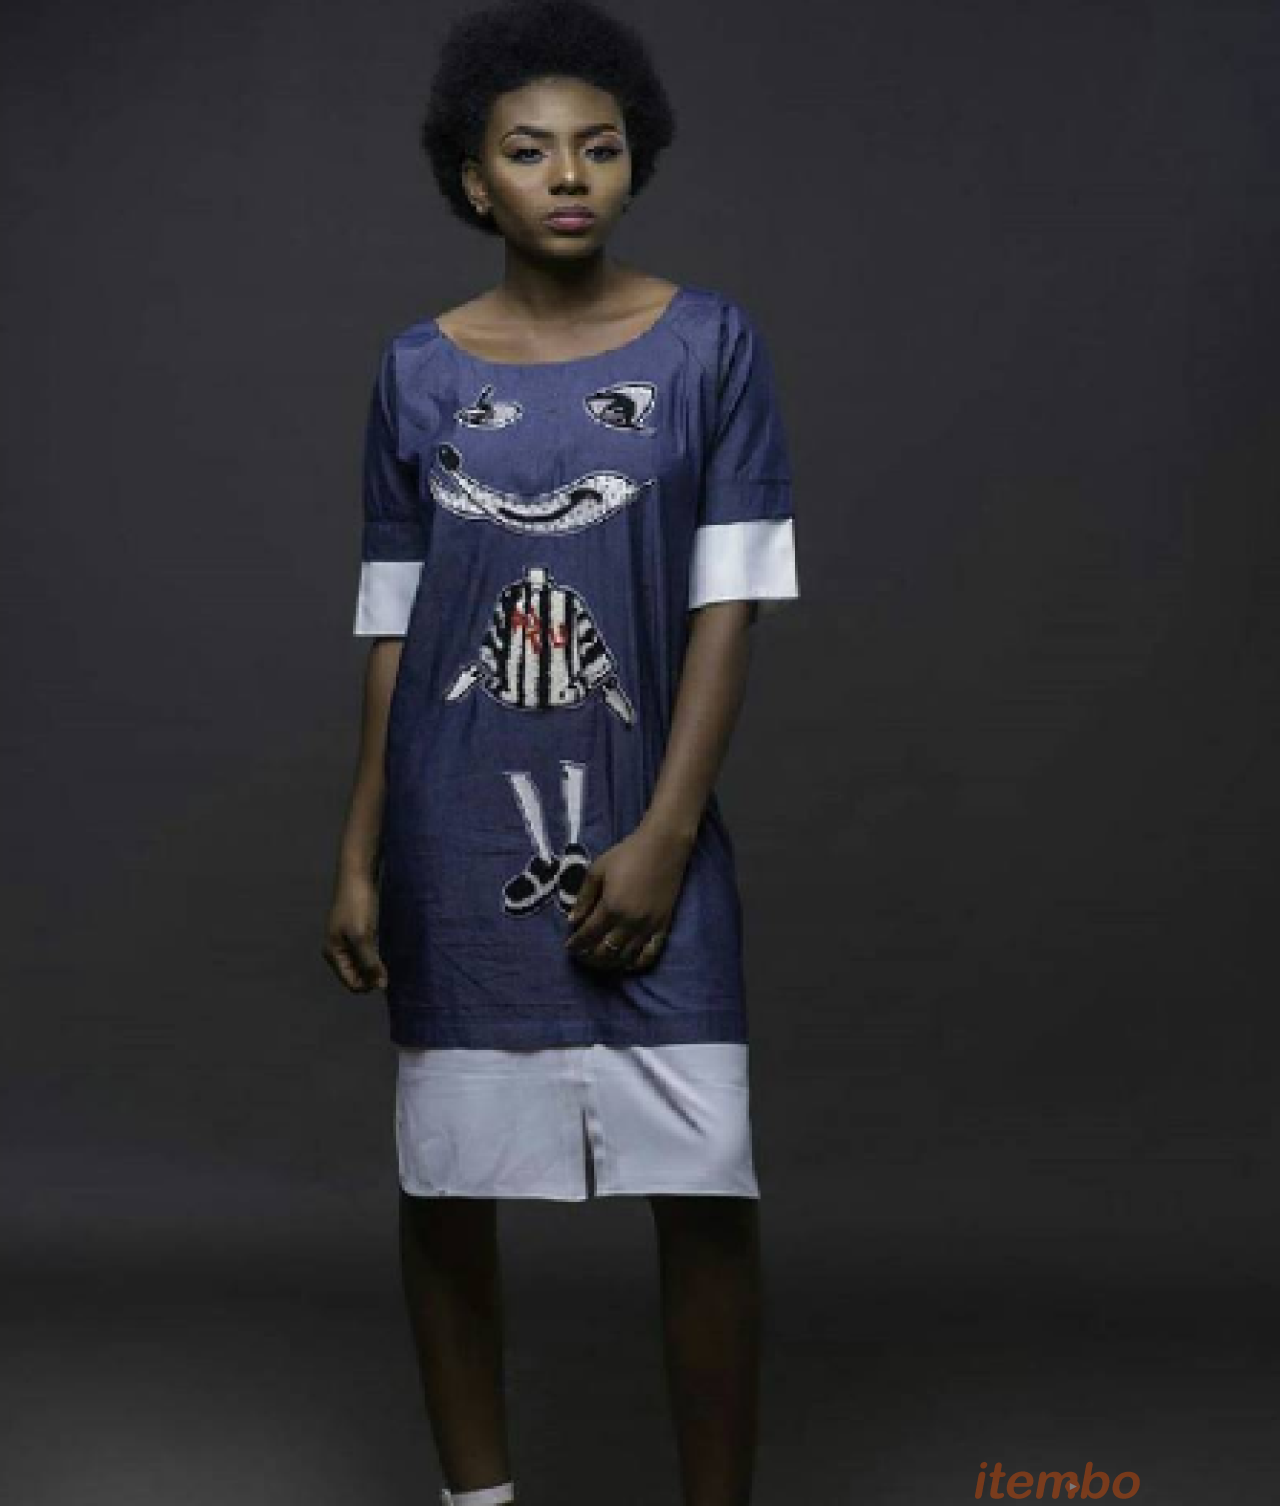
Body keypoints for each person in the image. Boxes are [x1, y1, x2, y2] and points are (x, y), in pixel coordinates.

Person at [322, 2, 800, 1503]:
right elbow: (395, 628)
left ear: (634, 162)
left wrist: (666, 835)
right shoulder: (414, 371)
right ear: (475, 180)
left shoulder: (712, 346)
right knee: (448, 1188)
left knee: (706, 1192)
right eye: (529, 151)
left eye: (598, 146)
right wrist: (358, 850)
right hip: (452, 835)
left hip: (652, 826)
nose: (568, 174)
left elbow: (729, 605)